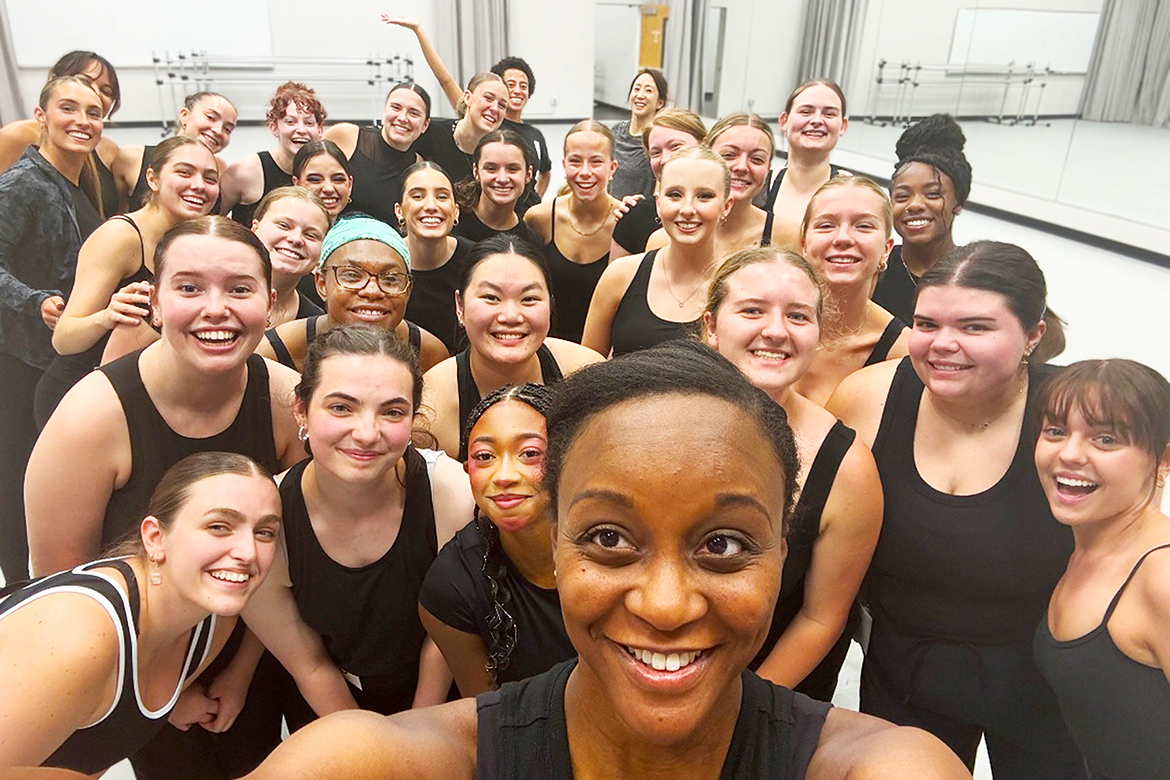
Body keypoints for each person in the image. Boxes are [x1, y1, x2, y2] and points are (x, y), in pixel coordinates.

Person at [239, 340, 972, 780]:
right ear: (556, 544)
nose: (665, 605)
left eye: (722, 545)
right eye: (611, 540)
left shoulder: (882, 767)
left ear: (784, 553)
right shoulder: (379, 762)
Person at [827, 241, 1084, 777]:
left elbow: (1127, 545)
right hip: (903, 668)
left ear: (1033, 335)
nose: (944, 344)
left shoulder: (1074, 417)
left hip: (1042, 676)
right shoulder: (867, 398)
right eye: (927, 324)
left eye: (975, 327)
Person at [0, 453, 282, 774]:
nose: (248, 552)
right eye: (218, 527)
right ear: (155, 538)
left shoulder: (213, 622)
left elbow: (93, 752)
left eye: (265, 532)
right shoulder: (80, 637)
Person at [250, 325, 473, 729]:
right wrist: (372, 747)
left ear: (413, 416)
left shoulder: (449, 492)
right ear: (301, 409)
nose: (367, 434)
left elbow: (446, 636)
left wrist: (416, 735)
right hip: (332, 706)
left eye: (392, 412)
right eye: (341, 408)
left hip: (443, 699)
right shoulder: (265, 520)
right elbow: (310, 665)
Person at [703, 247, 882, 701]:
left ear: (818, 335)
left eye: (798, 316)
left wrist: (738, 706)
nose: (776, 331)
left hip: (766, 691)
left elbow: (821, 618)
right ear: (711, 327)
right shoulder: (652, 419)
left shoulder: (846, 467)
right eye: (752, 310)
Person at [1032, 359, 1170, 780]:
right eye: (1056, 431)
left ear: (1164, 459)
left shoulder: (1161, 575)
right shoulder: (1083, 548)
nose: (1070, 454)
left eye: (1106, 439)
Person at [0, 75, 105, 584]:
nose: (83, 121)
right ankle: (21, 589)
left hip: (57, 358)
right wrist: (34, 300)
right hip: (19, 359)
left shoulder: (77, 184)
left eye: (94, 112)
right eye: (69, 108)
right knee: (16, 480)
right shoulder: (23, 182)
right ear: (41, 116)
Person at [39, 137, 220, 425]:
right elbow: (64, 339)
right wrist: (106, 317)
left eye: (210, 178)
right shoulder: (120, 237)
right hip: (77, 397)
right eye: (184, 172)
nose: (199, 185)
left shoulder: (192, 244)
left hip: (135, 394)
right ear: (152, 178)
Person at [420, 383, 574, 696]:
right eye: (485, 456)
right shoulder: (453, 584)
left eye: (529, 454)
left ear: (569, 458)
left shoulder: (619, 544)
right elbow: (489, 710)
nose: (504, 476)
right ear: (467, 470)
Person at [420, 235, 602, 460]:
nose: (511, 316)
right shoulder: (431, 407)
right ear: (460, 305)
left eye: (529, 299)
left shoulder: (587, 374)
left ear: (550, 304)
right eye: (491, 297)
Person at [583, 145, 732, 357]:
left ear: (726, 206)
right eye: (674, 195)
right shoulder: (620, 276)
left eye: (704, 196)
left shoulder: (741, 284)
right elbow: (587, 362)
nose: (687, 209)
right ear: (658, 203)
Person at [259, 214, 448, 372]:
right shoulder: (276, 353)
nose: (372, 291)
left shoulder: (429, 355)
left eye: (390, 279)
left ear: (408, 290)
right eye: (352, 276)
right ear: (322, 284)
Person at [794, 175, 909, 406]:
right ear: (804, 244)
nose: (843, 238)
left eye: (863, 226)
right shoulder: (760, 321)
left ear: (887, 249)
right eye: (826, 225)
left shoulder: (907, 352)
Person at [872, 115, 972, 325]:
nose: (915, 205)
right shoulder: (875, 270)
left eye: (933, 194)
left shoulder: (975, 271)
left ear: (958, 202)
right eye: (902, 196)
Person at [524, 120, 617, 342]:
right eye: (575, 161)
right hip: (547, 343)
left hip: (604, 348)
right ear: (564, 165)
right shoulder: (540, 219)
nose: (585, 172)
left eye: (596, 162)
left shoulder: (625, 222)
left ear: (612, 168)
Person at [0, 51, 121, 218]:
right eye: (84, 81)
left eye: (106, 91)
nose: (95, 92)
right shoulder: (18, 135)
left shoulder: (110, 150)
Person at [323, 81, 429, 228]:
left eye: (414, 113)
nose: (403, 118)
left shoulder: (418, 167)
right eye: (396, 107)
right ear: (384, 111)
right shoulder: (345, 136)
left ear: (425, 125)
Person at [113, 91, 237, 212]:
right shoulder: (133, 157)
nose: (218, 131)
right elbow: (116, 211)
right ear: (184, 115)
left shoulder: (222, 170)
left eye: (227, 129)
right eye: (210, 118)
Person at [222, 82, 326, 227]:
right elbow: (210, 220)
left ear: (320, 130)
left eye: (309, 123)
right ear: (274, 128)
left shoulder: (327, 175)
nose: (301, 130)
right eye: (290, 122)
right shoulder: (244, 171)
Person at [609, 108, 706, 258]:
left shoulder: (726, 215)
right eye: (656, 152)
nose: (665, 159)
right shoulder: (635, 217)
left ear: (704, 145)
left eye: (675, 146)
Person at [396, 161, 472, 353]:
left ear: (456, 211)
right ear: (399, 210)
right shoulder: (383, 263)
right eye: (417, 196)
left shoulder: (477, 261)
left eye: (442, 197)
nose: (431, 206)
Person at [765, 79, 849, 241]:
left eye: (829, 114)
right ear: (784, 121)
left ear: (843, 126)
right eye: (806, 112)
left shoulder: (855, 193)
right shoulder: (759, 187)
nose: (817, 120)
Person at [250, 186, 329, 327]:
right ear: (255, 228)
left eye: (311, 235)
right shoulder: (209, 289)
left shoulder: (318, 328)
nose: (296, 239)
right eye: (284, 226)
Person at [451, 129, 537, 244]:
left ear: (528, 174)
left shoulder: (529, 241)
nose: (502, 179)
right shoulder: (450, 220)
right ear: (476, 172)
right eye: (491, 169)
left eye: (512, 169)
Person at [492, 56, 552, 212]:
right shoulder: (490, 128)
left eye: (523, 86)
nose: (517, 91)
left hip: (527, 217)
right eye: (510, 85)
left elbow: (545, 172)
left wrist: (536, 199)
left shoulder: (535, 135)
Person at [609, 68, 668, 201]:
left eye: (648, 91)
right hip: (610, 209)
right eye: (636, 89)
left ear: (660, 102)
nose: (640, 95)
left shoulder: (657, 139)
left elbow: (660, 187)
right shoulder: (616, 131)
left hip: (637, 210)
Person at [291, 139, 353, 220]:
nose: (328, 189)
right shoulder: (280, 225)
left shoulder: (363, 226)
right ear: (296, 184)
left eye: (338, 179)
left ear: (350, 184)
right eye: (315, 180)